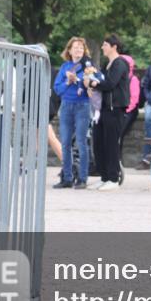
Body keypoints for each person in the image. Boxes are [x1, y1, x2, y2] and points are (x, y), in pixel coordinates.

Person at [88, 34, 130, 190]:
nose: (102, 47)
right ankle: (104, 176)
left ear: (114, 46)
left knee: (111, 144)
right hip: (104, 109)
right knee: (99, 143)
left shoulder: (120, 63)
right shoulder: (108, 64)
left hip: (115, 109)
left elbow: (110, 83)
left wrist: (93, 82)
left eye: (105, 44)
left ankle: (113, 178)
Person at [52, 37, 93, 189]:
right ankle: (67, 178)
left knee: (81, 142)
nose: (78, 50)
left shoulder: (88, 66)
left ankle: (82, 178)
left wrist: (79, 80)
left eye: (81, 48)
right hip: (66, 106)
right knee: (66, 143)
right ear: (69, 50)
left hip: (82, 106)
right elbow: (58, 89)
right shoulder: (64, 67)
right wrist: (68, 82)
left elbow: (94, 83)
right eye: (75, 47)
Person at [119, 52, 141, 160]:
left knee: (119, 133)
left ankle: (118, 160)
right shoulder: (116, 77)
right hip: (118, 109)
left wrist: (125, 110)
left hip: (129, 110)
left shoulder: (133, 79)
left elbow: (134, 99)